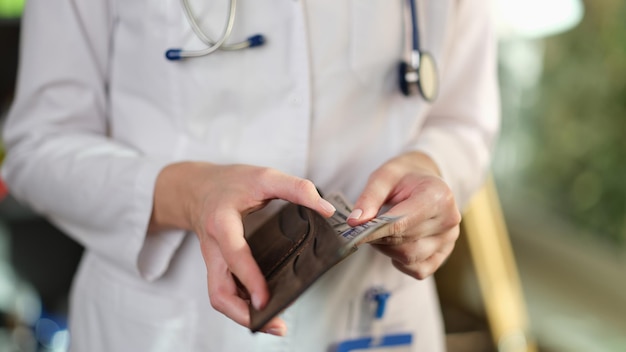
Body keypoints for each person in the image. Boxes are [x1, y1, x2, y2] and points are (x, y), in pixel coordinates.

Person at [1, 0, 499, 351]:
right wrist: (191, 194)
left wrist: (432, 170)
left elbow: (464, 121)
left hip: (374, 317)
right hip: (168, 325)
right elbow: (35, 146)